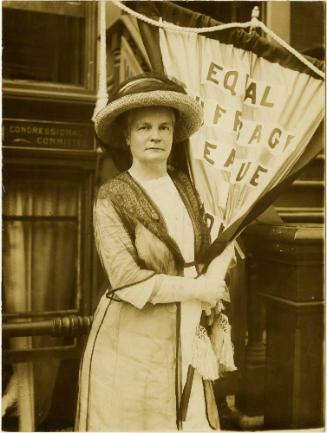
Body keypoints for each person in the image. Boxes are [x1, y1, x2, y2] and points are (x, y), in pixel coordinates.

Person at [75, 73, 228, 432]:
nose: (155, 136)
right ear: (127, 137)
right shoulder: (112, 197)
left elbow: (210, 246)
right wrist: (198, 289)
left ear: (175, 136)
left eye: (164, 127)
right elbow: (126, 280)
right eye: (144, 127)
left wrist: (213, 285)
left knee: (190, 418)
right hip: (134, 337)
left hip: (189, 324)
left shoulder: (186, 187)